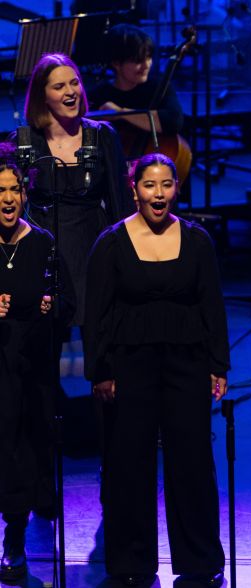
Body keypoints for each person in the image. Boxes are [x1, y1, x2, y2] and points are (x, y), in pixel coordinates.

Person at [83, 153, 228, 588]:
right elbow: (98, 314)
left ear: (176, 190)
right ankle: (131, 563)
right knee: (129, 464)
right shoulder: (110, 243)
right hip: (130, 365)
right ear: (134, 190)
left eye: (166, 185)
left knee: (193, 462)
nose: (158, 193)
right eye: (150, 185)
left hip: (187, 363)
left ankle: (199, 561)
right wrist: (100, 371)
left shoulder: (198, 241)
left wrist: (218, 364)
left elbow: (212, 307)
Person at [14, 53, 134, 331]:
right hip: (43, 253)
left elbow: (121, 205)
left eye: (75, 83)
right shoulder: (23, 142)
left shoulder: (103, 135)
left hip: (91, 248)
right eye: (59, 87)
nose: (70, 92)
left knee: (102, 343)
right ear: (42, 96)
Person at [0, 145, 71, 584]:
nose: (7, 198)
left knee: (18, 451)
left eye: (13, 189)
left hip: (25, 370)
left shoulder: (42, 243)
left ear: (24, 194)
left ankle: (14, 537)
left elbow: (69, 301)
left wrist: (52, 305)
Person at [91, 23, 186, 137]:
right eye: (138, 60)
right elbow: (88, 143)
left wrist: (121, 112)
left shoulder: (159, 87)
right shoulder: (99, 94)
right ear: (116, 63)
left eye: (148, 58)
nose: (146, 65)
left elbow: (174, 122)